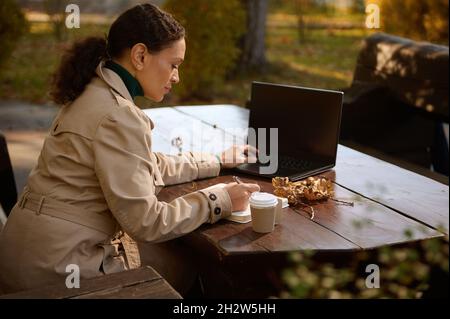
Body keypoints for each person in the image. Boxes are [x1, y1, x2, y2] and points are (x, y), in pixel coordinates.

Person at [0, 3, 259, 294]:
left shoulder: (92, 90)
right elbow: (147, 222)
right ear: (140, 55)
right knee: (197, 263)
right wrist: (219, 199)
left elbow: (143, 164)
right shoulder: (117, 115)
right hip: (58, 271)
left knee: (177, 256)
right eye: (173, 65)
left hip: (26, 256)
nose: (176, 77)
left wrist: (214, 160)